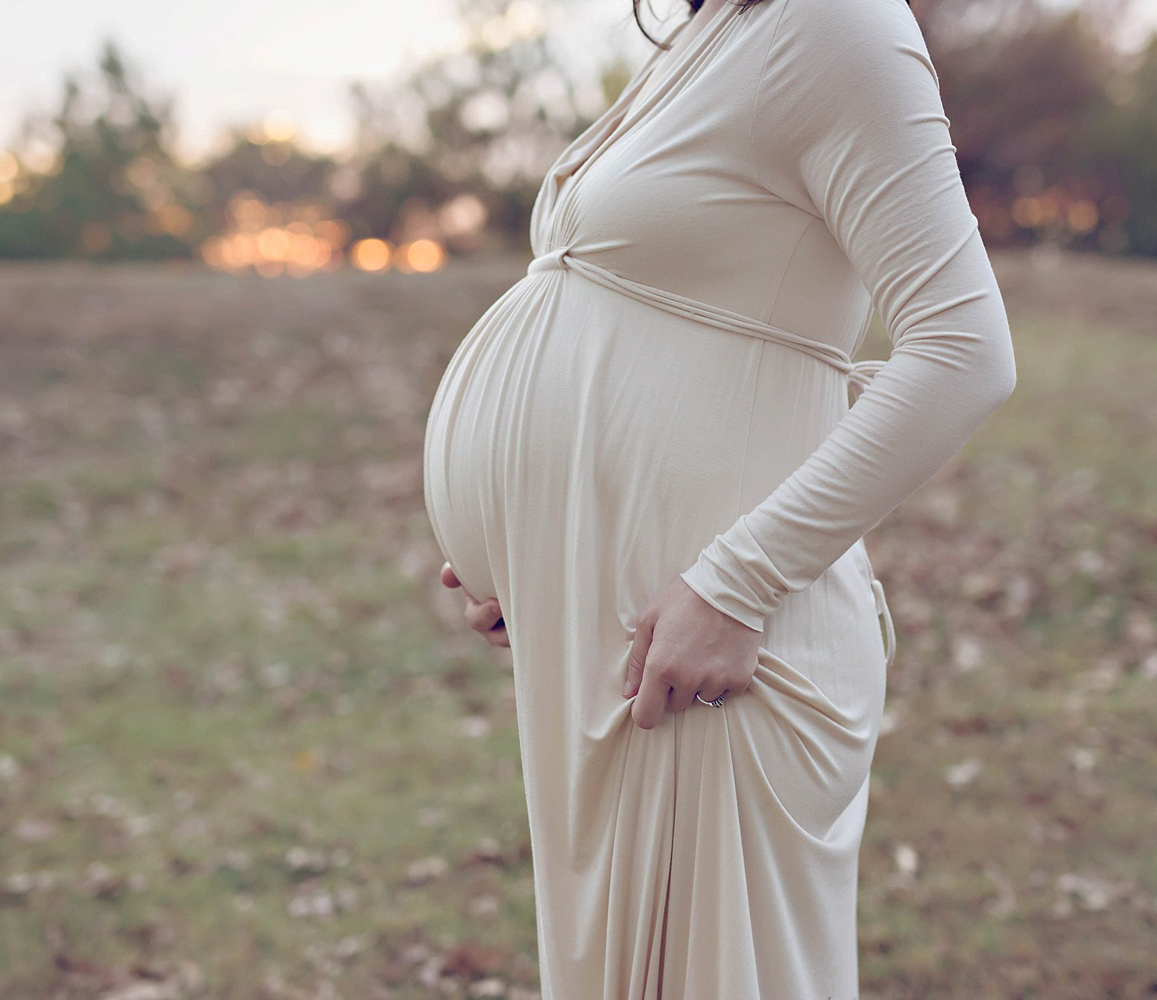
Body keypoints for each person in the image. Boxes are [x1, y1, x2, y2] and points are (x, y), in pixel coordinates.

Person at [423, 0, 1017, 995]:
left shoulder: (841, 25)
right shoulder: (714, 32)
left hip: (715, 653)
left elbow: (964, 352)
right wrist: (550, 537)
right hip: (620, 641)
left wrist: (739, 582)